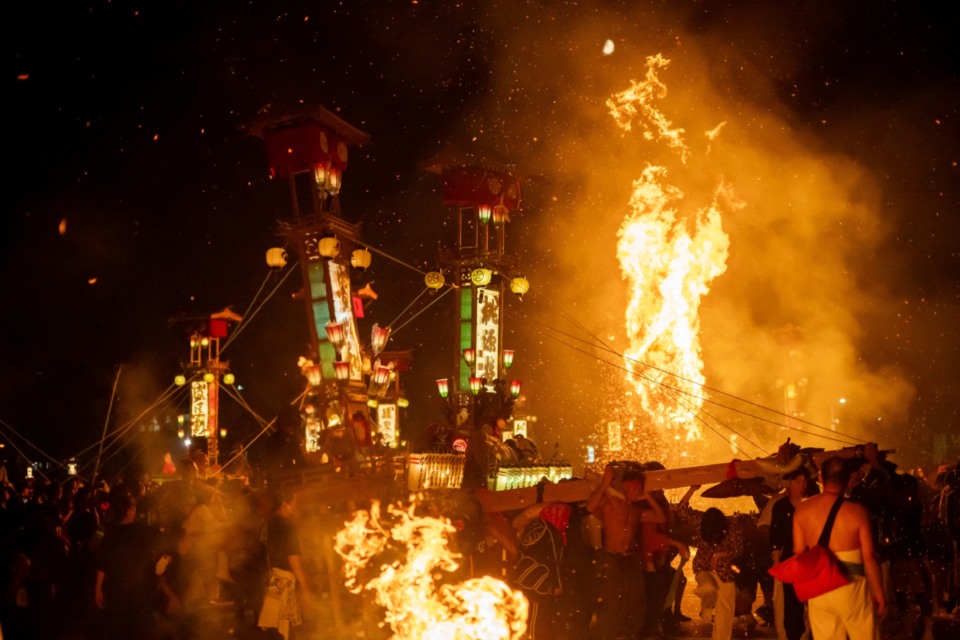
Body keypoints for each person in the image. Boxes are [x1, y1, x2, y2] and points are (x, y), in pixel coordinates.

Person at [793, 456, 886, 640]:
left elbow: (798, 553)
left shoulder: (802, 510)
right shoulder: (857, 512)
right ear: (849, 479)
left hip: (820, 586)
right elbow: (869, 557)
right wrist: (879, 591)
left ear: (820, 477)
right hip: (852, 587)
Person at [585, 462, 666, 640]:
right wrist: (605, 482)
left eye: (639, 488)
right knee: (612, 599)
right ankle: (609, 635)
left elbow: (660, 517)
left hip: (630, 558)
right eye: (634, 487)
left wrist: (647, 497)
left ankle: (630, 635)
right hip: (611, 556)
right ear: (624, 487)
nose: (636, 491)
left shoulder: (637, 510)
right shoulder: (611, 503)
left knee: (636, 599)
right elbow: (590, 507)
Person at [677, 485, 742, 640]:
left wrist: (721, 554)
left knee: (725, 609)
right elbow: (681, 510)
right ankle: (707, 605)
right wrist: (692, 489)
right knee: (709, 588)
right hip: (705, 568)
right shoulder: (701, 521)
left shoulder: (732, 528)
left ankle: (720, 637)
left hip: (724, 571)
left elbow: (738, 550)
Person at [258, 485, 311, 640]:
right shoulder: (287, 525)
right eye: (294, 502)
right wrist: (305, 586)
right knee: (286, 628)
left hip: (271, 579)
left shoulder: (268, 523)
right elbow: (293, 557)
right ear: (285, 504)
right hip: (285, 582)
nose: (296, 505)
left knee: (275, 628)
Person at [770, 467, 809, 640]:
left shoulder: (811, 504)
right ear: (789, 484)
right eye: (798, 481)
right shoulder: (780, 506)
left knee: (812, 602)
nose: (802, 485)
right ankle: (794, 634)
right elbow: (775, 536)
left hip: (810, 558)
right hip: (790, 560)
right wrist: (777, 561)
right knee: (791, 603)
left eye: (804, 481)